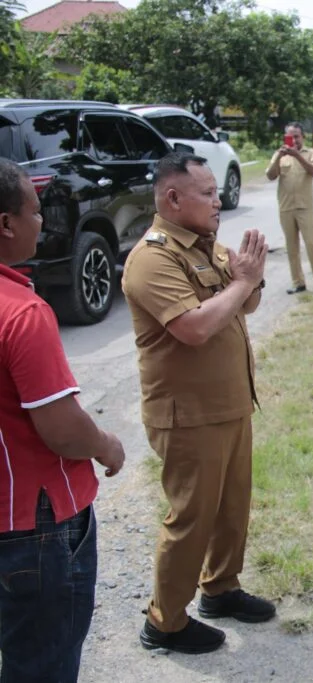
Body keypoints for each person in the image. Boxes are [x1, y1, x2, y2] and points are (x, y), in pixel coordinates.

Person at [122, 152, 275, 655]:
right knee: (191, 518)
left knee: (232, 509)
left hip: (229, 403)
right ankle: (164, 622)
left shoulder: (205, 245)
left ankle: (221, 588)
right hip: (186, 415)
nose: (218, 200)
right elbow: (194, 327)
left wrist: (247, 278)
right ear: (173, 198)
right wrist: (243, 281)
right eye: (207, 193)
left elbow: (244, 303)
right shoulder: (153, 257)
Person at [0, 158, 124, 681]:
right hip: (36, 526)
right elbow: (61, 427)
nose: (43, 223)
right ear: (5, 224)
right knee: (42, 664)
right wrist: (106, 444)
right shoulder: (21, 314)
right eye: (34, 211)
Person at [266, 122, 313, 294]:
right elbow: (270, 176)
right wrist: (280, 156)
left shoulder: (311, 153)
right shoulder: (280, 155)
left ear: (303, 137)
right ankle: (298, 282)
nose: (293, 139)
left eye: (297, 136)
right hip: (286, 207)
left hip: (305, 207)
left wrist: (297, 156)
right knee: (291, 247)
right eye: (290, 136)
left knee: (312, 244)